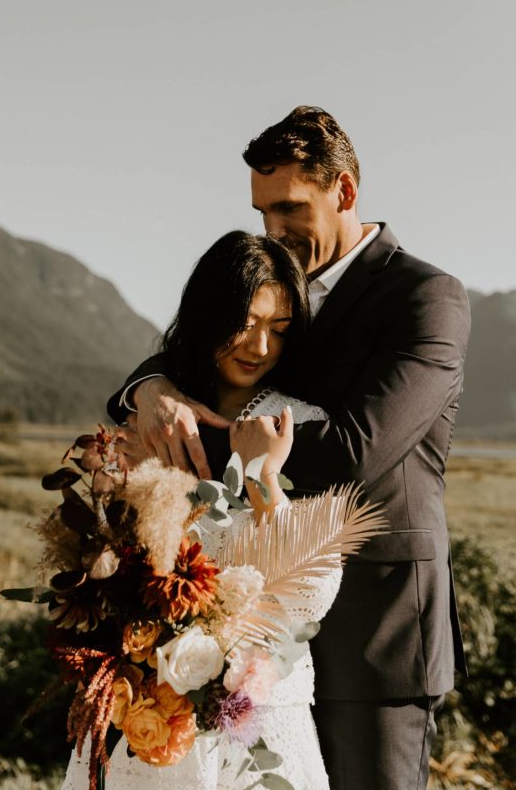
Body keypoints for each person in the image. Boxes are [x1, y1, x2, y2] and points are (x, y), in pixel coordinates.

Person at [108, 107, 471, 790]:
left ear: (345, 190)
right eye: (261, 211)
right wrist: (149, 389)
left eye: (289, 208)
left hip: (376, 631)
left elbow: (356, 449)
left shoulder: (426, 296)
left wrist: (190, 451)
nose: (273, 229)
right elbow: (194, 351)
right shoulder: (280, 280)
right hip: (259, 643)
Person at [62, 230, 342, 790]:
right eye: (246, 322)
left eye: (279, 329)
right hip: (148, 714)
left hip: (256, 719)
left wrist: (264, 477)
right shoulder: (155, 417)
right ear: (207, 316)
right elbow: (108, 567)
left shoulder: (303, 424)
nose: (261, 346)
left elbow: (315, 596)